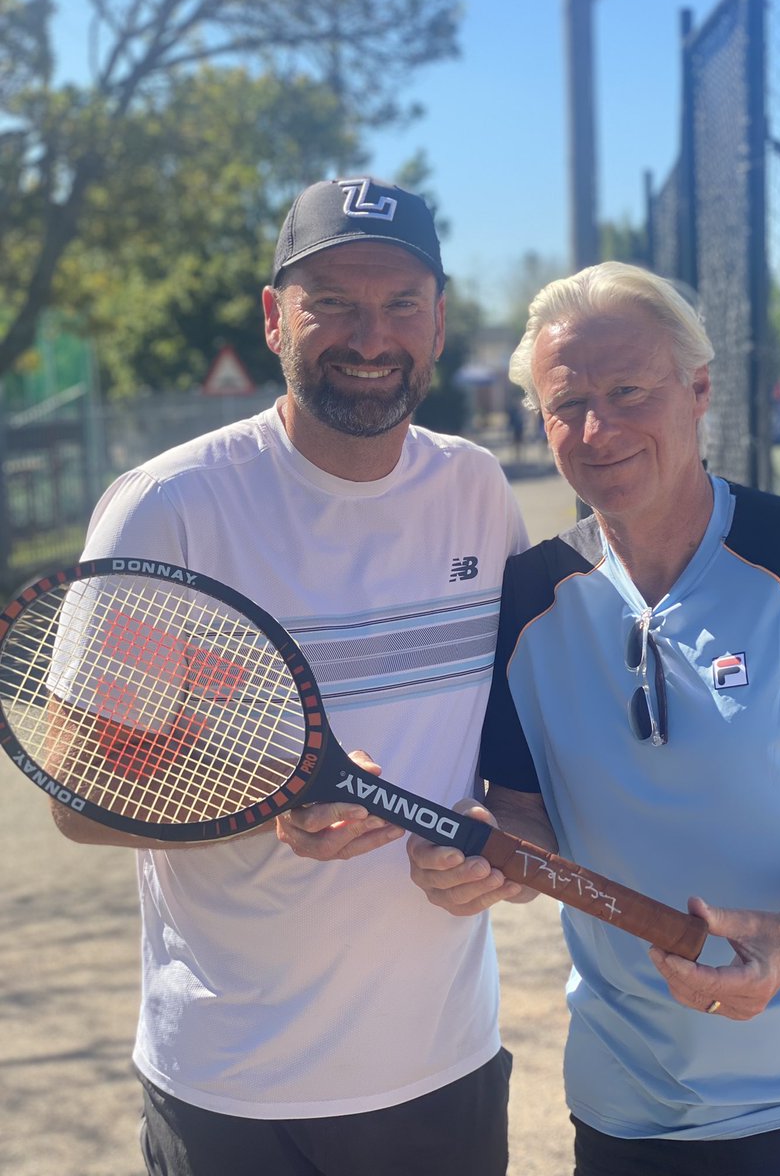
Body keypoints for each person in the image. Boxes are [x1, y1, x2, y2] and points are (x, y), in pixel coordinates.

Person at [50, 176, 528, 1176]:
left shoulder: (477, 493)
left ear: (438, 325)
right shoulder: (171, 511)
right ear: (275, 319)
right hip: (234, 1090)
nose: (370, 335)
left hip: (446, 1066)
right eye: (334, 303)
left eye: (400, 304)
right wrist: (266, 793)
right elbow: (79, 789)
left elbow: (509, 761)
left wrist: (496, 841)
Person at [408, 261, 780, 1175]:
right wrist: (489, 860)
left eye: (629, 390)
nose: (598, 430)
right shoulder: (528, 596)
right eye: (568, 403)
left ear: (699, 388)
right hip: (626, 1110)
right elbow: (524, 811)